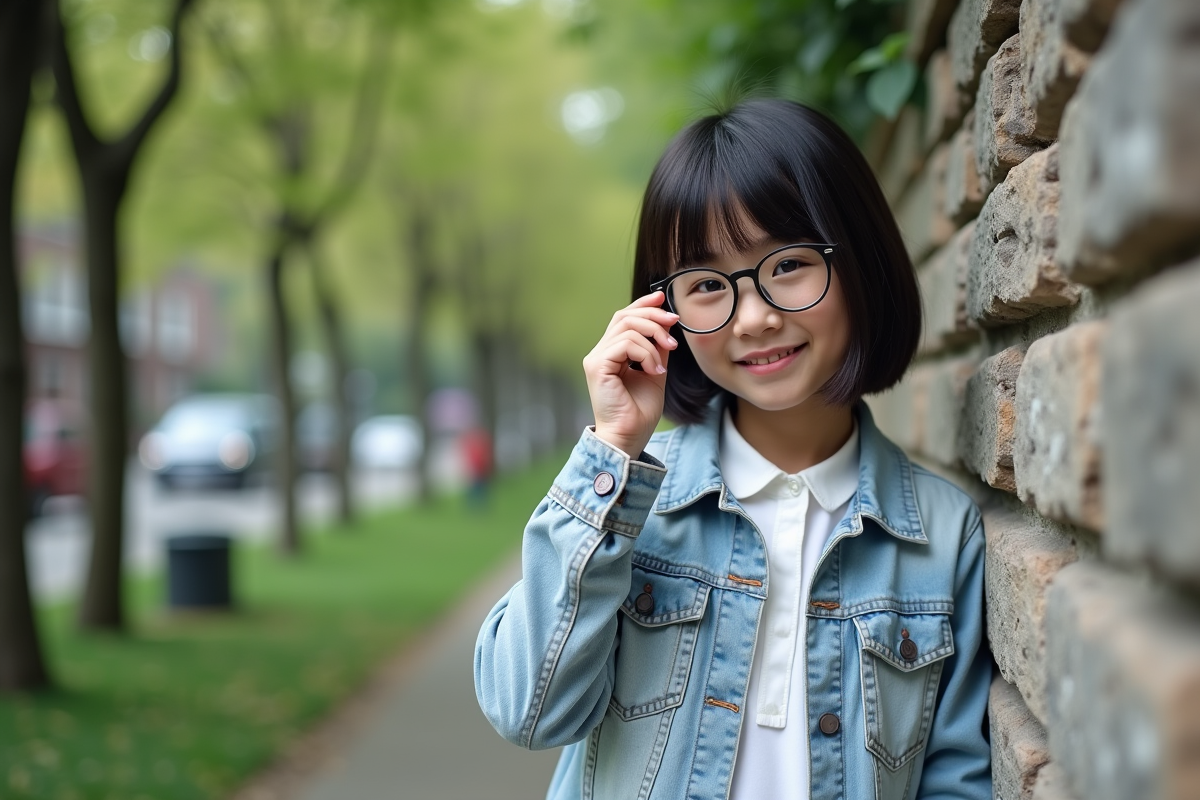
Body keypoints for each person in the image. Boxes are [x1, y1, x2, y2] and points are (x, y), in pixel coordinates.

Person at [474, 99, 991, 800]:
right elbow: (527, 711)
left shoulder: (942, 536)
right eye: (707, 285)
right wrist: (613, 451)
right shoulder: (630, 504)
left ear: (860, 262)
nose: (754, 317)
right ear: (665, 312)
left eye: (789, 264)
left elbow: (954, 779)